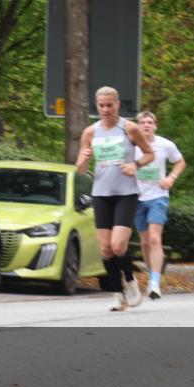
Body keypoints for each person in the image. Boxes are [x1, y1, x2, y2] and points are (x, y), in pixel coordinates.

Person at [76, 87, 154, 312]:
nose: (106, 109)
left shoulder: (129, 128)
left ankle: (130, 282)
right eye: (101, 105)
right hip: (101, 193)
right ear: (97, 106)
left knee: (118, 245)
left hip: (125, 193)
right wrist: (83, 160)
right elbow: (80, 169)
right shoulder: (90, 132)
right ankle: (117, 294)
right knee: (105, 249)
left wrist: (135, 165)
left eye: (110, 105)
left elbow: (150, 154)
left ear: (117, 105)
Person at [133, 111, 186, 300]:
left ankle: (155, 283)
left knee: (155, 238)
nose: (146, 125)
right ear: (137, 126)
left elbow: (180, 162)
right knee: (145, 243)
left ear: (155, 125)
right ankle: (151, 275)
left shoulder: (165, 144)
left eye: (150, 122)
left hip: (158, 196)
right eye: (142, 122)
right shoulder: (131, 144)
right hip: (137, 198)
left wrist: (171, 177)